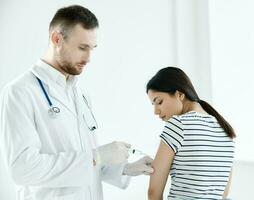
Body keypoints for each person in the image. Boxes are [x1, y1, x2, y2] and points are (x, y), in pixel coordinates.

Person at [0, 5, 153, 200]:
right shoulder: (20, 92)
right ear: (57, 39)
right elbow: (23, 169)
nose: (89, 58)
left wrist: (125, 169)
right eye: (82, 48)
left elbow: (84, 163)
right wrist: (96, 156)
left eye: (92, 48)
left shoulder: (79, 93)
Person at [146, 67, 235, 200]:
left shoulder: (177, 125)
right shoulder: (225, 129)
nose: (156, 111)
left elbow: (154, 192)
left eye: (159, 102)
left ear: (179, 95)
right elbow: (224, 192)